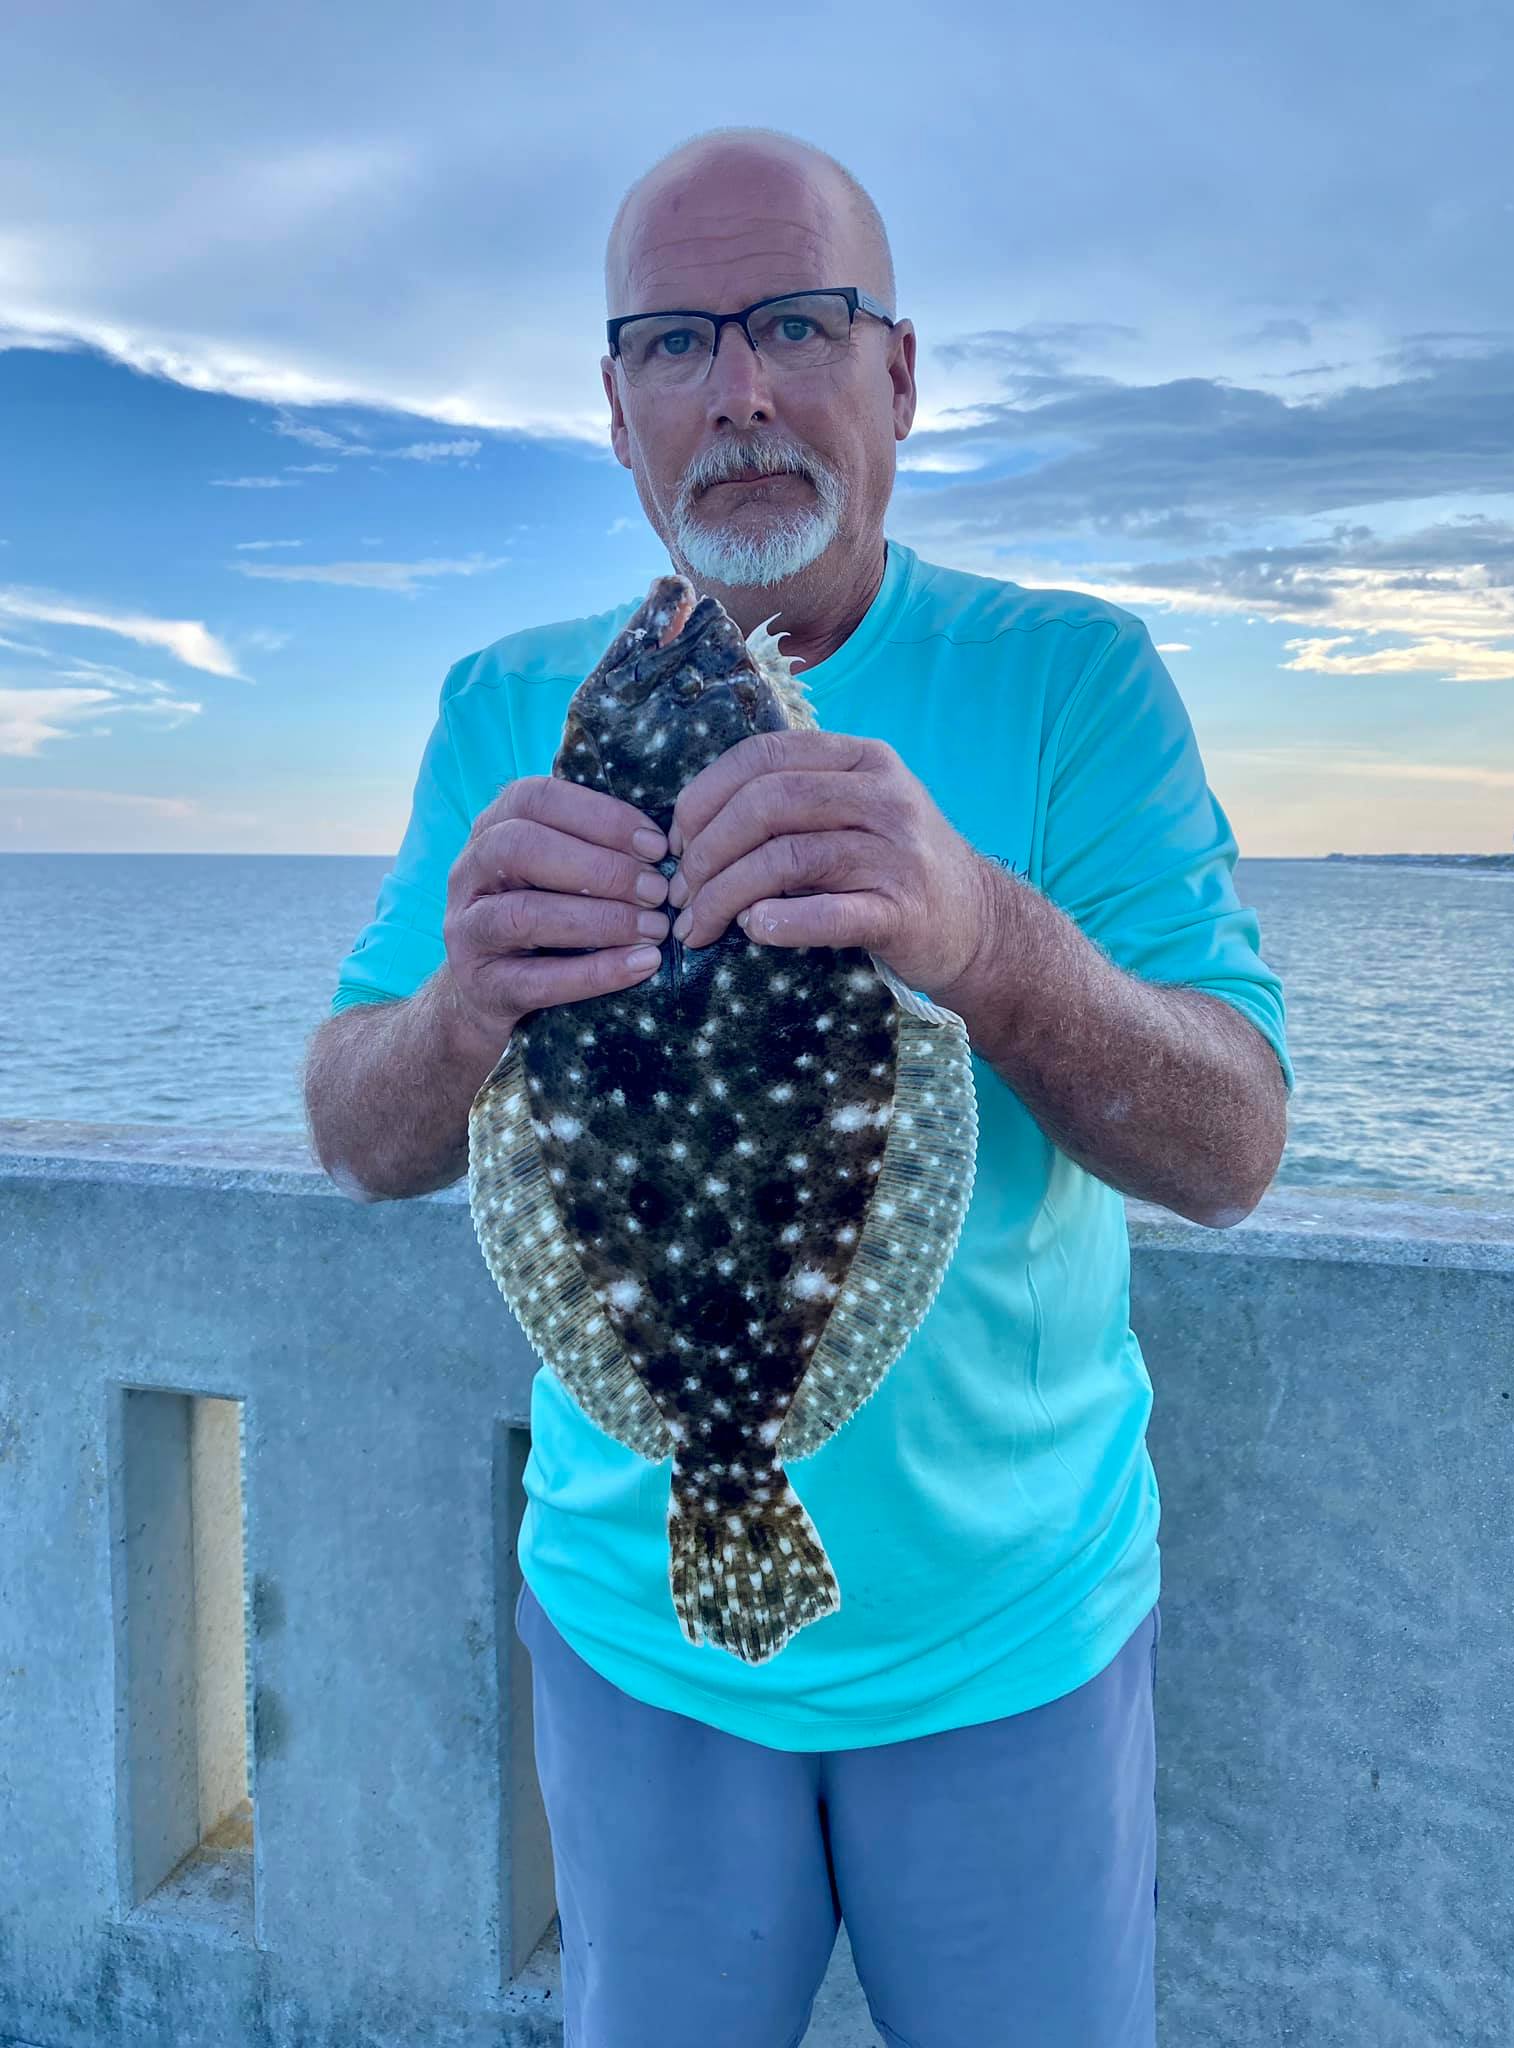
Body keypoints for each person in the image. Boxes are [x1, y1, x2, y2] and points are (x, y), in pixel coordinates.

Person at [305, 124, 1293, 2048]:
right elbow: (359, 1130)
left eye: (795, 324)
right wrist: (460, 1012)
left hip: (1019, 1646)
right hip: (631, 1637)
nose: (741, 388)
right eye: (677, 341)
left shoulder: (1073, 680)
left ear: (897, 373)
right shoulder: (502, 707)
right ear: (616, 407)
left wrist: (982, 936)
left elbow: (1238, 1147)